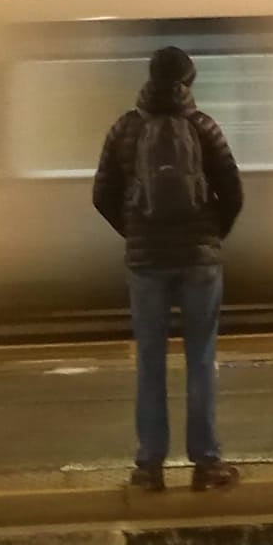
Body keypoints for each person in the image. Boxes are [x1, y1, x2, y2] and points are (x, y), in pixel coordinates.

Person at [93, 46, 244, 491]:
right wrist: (210, 236)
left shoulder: (125, 128)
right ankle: (207, 463)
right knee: (200, 360)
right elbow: (233, 191)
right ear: (188, 82)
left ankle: (149, 467)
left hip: (146, 264)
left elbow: (102, 193)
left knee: (150, 361)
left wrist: (135, 232)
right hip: (200, 263)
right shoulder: (204, 128)